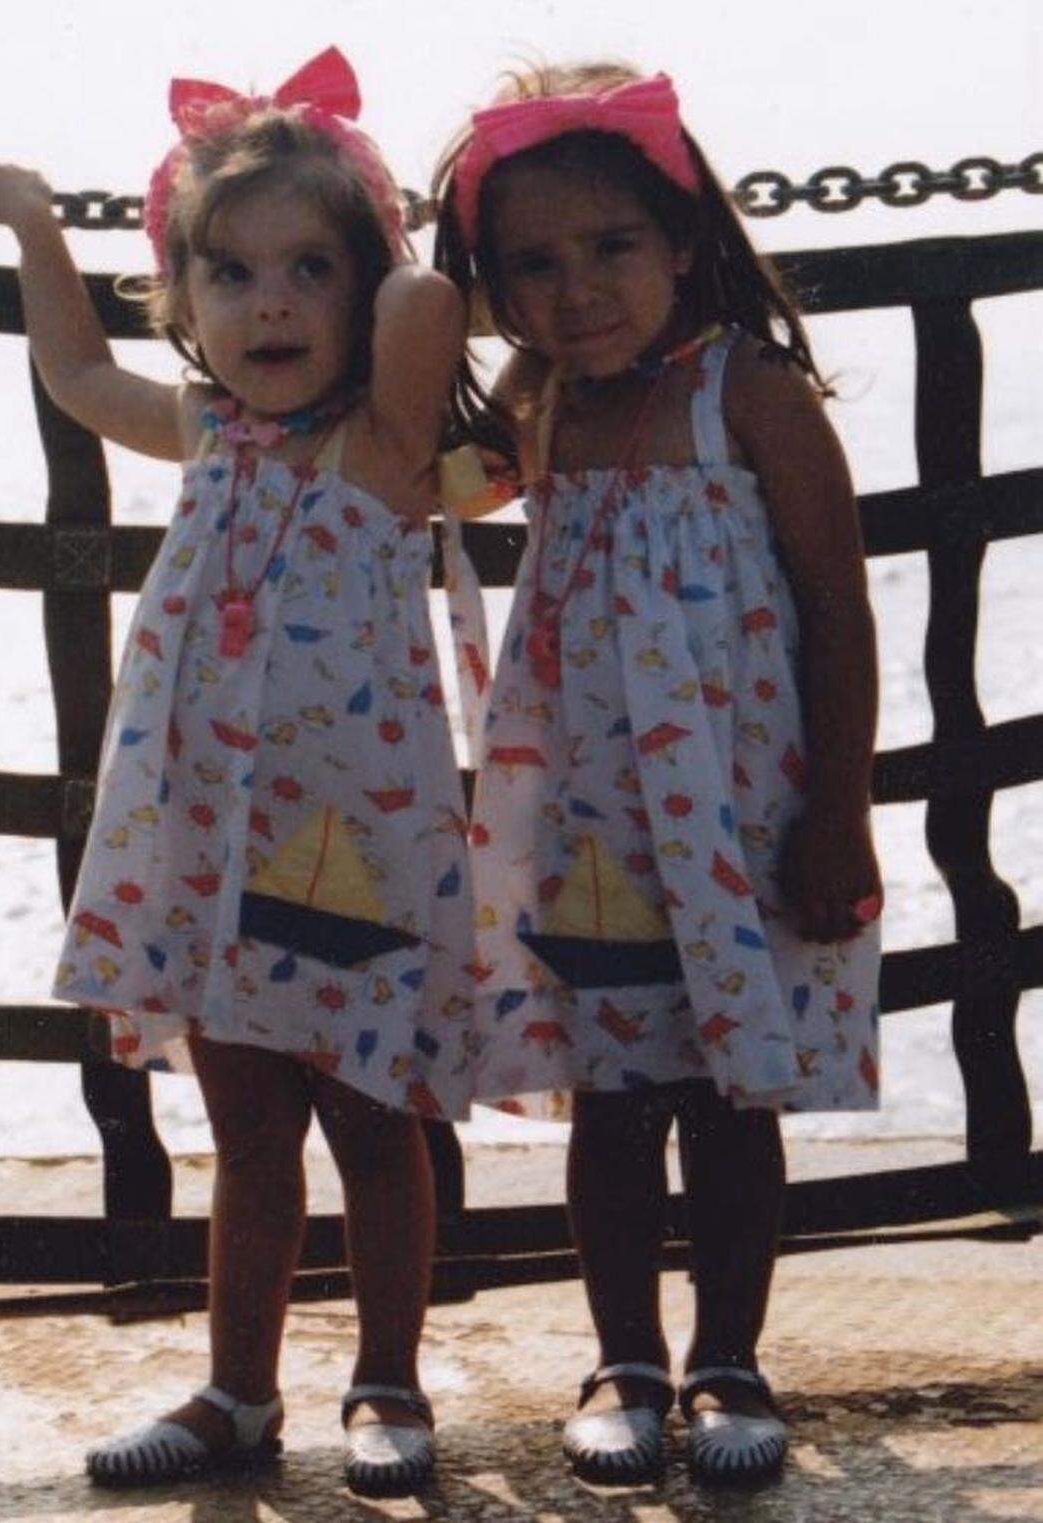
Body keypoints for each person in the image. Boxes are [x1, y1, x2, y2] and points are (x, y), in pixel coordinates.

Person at [0, 47, 473, 1498]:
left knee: (375, 1125)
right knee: (246, 1135)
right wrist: (35, 225)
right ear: (181, 299)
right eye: (229, 276)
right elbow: (75, 372)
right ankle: (240, 1392)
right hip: (211, 855)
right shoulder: (203, 435)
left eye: (311, 271)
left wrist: (380, 229)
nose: (272, 306)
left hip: (353, 858)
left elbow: (426, 311)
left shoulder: (385, 445)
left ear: (366, 284)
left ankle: (388, 1384)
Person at [432, 62, 883, 1487]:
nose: (578, 291)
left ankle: (729, 1361)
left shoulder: (750, 393)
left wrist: (840, 816)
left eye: (612, 246)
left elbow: (838, 610)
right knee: (613, 1093)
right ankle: (624, 1360)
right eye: (533, 266)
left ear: (683, 240)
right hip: (589, 820)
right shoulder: (541, 399)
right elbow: (432, 473)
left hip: (742, 812)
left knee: (731, 1095)